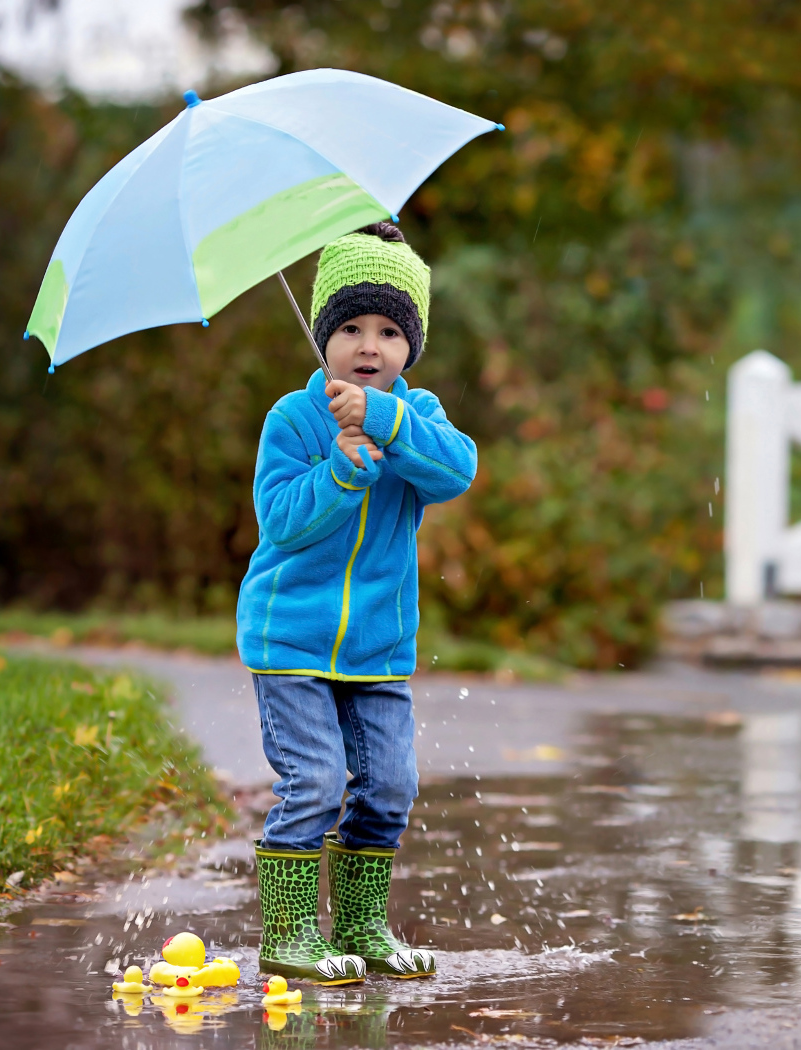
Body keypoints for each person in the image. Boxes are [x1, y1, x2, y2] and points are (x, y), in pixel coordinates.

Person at [236, 222, 476, 984]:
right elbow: (281, 521)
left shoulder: (416, 415)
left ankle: (364, 925)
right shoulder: (294, 419)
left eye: (389, 332)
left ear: (411, 346)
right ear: (323, 335)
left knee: (390, 786)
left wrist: (384, 421)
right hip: (291, 639)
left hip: (378, 645)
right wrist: (337, 473)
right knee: (315, 780)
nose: (369, 347)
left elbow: (457, 470)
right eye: (350, 328)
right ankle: (288, 932)